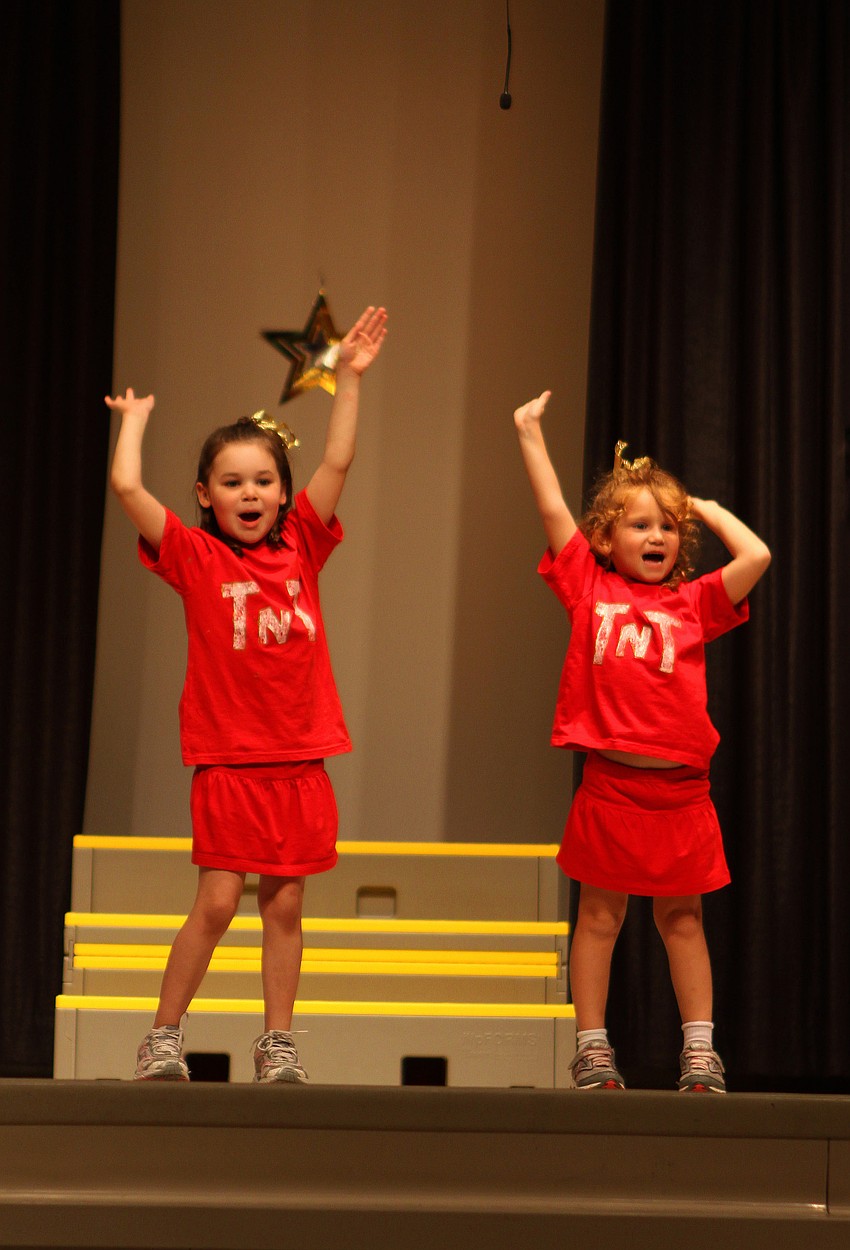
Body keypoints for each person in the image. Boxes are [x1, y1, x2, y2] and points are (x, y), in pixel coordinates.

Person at [105, 305, 387, 1082]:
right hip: (230, 761)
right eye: (233, 482)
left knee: (286, 908)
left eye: (264, 479)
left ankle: (278, 1044)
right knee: (220, 903)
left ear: (282, 492)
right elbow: (126, 485)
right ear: (206, 494)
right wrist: (132, 421)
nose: (251, 492)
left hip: (300, 759)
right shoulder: (194, 557)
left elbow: (338, 461)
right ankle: (164, 1035)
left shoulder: (302, 539)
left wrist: (350, 380)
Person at [513, 390, 770, 1093]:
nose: (655, 538)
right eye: (639, 526)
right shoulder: (586, 586)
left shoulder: (694, 604)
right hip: (610, 785)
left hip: (681, 792)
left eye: (666, 528)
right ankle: (592, 1049)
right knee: (599, 915)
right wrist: (530, 433)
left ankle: (698, 1051)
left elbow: (759, 555)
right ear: (605, 539)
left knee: (682, 919)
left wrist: (709, 512)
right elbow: (552, 513)